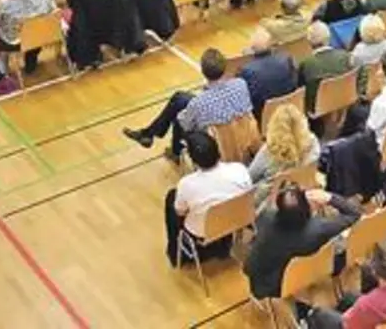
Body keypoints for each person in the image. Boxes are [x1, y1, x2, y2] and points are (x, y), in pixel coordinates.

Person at [124, 48, 253, 159]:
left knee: (179, 115)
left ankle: (175, 151)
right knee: (180, 98)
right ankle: (148, 134)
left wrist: (184, 115)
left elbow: (185, 123)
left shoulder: (199, 102)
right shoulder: (240, 84)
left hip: (214, 140)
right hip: (241, 132)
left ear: (203, 71)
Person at [243, 185, 361, 301]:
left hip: (273, 286)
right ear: (307, 206)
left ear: (279, 207)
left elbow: (248, 267)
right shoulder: (319, 229)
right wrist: (329, 198)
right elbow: (354, 214)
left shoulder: (266, 217)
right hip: (313, 272)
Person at [166, 130, 253, 266]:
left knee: (171, 198)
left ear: (193, 159)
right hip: (238, 220)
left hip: (202, 231)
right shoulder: (239, 169)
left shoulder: (187, 184)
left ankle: (176, 253)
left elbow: (180, 212)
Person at [300, 241, 386, 329]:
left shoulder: (368, 304)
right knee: (349, 297)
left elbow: (347, 324)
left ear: (374, 271)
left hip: (359, 321)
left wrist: (350, 314)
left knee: (319, 313)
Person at [249, 104, 321, 207]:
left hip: (268, 202)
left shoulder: (269, 152)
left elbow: (250, 177)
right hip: (302, 194)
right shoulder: (313, 142)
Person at [239, 28, 300, 117]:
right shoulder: (286, 59)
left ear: (252, 49)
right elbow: (294, 84)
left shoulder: (247, 70)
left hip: (265, 116)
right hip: (290, 110)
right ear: (271, 45)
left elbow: (248, 99)